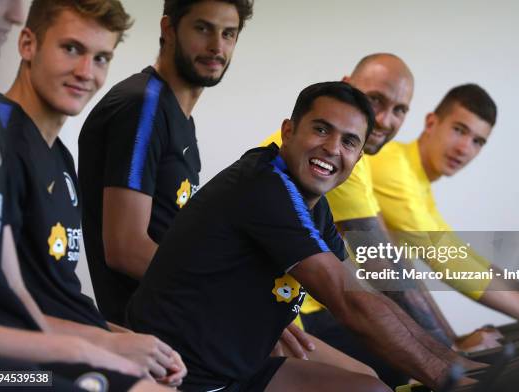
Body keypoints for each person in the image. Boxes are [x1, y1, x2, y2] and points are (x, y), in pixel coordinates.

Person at [128, 82, 482, 391]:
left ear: (358, 158)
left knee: (370, 384)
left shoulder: (313, 203)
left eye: (348, 141)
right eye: (321, 129)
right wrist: (449, 376)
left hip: (240, 368)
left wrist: (459, 365)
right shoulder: (264, 186)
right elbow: (350, 303)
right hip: (181, 378)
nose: (331, 148)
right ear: (288, 131)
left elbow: (361, 290)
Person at [0, 0, 185, 385]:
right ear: (28, 44)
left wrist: (125, 340)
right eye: (72, 49)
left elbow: (52, 295)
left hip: (69, 337)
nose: (86, 72)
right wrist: (102, 346)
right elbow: (13, 305)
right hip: (12, 367)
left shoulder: (59, 155)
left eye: (101, 58)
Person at [262, 53, 457, 387]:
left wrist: (451, 353)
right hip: (279, 316)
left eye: (399, 110)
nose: (383, 119)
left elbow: (389, 267)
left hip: (294, 307)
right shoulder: (332, 161)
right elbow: (382, 271)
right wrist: (451, 356)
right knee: (389, 370)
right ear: (346, 88)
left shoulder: (357, 159)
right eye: (375, 100)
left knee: (394, 364)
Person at [78, 0, 253, 327]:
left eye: (228, 34)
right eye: (203, 29)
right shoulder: (142, 106)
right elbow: (125, 248)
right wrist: (228, 293)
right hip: (156, 333)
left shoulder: (174, 114)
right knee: (359, 378)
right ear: (168, 29)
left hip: (187, 321)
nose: (217, 46)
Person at [369, 83, 519, 327]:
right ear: (431, 123)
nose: (464, 149)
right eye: (459, 130)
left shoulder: (418, 181)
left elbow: (460, 254)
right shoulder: (394, 169)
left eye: (477, 141)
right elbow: (446, 260)